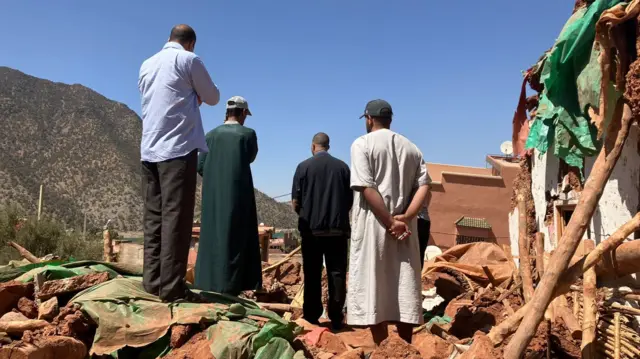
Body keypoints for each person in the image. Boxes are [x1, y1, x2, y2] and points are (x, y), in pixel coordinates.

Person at [138, 24, 220, 302]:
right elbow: (213, 97)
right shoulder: (188, 60)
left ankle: (151, 282)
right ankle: (172, 289)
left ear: (169, 39)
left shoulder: (146, 64)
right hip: (178, 150)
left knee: (154, 218)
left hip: (149, 151)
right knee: (176, 219)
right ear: (191, 44)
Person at [348, 99, 431, 344]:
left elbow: (366, 187)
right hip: (405, 229)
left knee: (375, 284)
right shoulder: (412, 148)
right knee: (404, 283)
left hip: (375, 225)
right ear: (390, 120)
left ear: (369, 119)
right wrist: (406, 217)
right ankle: (404, 347)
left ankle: (383, 347)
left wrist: (389, 221)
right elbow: (424, 186)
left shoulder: (362, 144)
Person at [195, 96, 262, 296]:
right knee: (237, 238)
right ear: (242, 113)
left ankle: (209, 286)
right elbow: (249, 158)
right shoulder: (248, 134)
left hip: (212, 197)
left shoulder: (210, 135)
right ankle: (233, 287)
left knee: (212, 237)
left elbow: (200, 166)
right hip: (238, 195)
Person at [291, 133, 352, 330]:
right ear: (328, 146)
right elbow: (349, 200)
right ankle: (336, 317)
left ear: (313, 146)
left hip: (312, 231)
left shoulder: (303, 167)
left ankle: (311, 316)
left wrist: (306, 213)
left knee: (312, 272)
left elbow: (295, 202)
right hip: (337, 231)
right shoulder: (343, 167)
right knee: (337, 273)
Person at [416, 188, 432, 268]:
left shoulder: (420, 190)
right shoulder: (429, 192)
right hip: (425, 220)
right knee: (420, 252)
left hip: (419, 221)